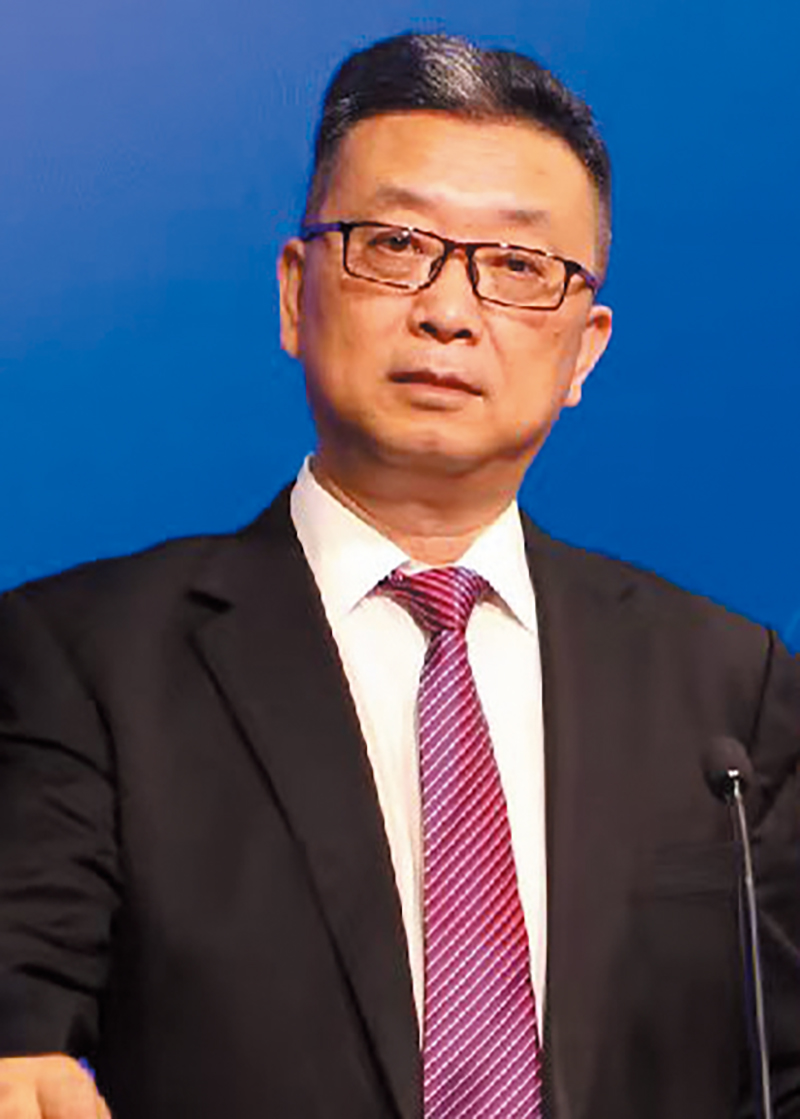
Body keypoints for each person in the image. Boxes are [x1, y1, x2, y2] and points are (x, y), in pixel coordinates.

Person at [0, 30, 799, 1119]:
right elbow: (21, 1004)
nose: (448, 311)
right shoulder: (82, 659)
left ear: (584, 349)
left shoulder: (730, 690)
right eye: (393, 244)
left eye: (518, 267)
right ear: (295, 295)